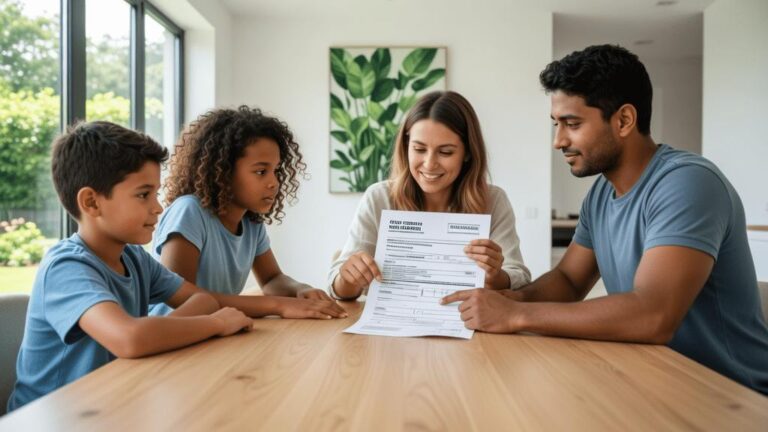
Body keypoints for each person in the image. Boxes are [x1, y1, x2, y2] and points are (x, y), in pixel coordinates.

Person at [442, 44, 768, 395]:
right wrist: (509, 300)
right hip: (656, 382)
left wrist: (515, 315)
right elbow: (568, 281)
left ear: (624, 120)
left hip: (732, 394)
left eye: (572, 124)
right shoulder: (601, 194)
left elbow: (653, 314)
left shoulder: (688, 182)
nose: (558, 141)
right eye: (556, 124)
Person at [8, 122, 253, 411]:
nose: (158, 207)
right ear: (91, 202)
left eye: (156, 193)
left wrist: (155, 333)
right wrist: (216, 324)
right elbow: (130, 338)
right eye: (143, 194)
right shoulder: (66, 267)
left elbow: (204, 299)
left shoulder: (135, 258)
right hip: (52, 418)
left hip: (114, 401)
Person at [329, 91, 531, 300]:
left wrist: (496, 277)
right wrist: (348, 278)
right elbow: (336, 287)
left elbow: (520, 277)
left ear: (468, 153)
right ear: (406, 147)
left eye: (445, 152)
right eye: (419, 149)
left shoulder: (493, 200)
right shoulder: (379, 198)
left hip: (468, 317)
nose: (429, 164)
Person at [152, 106, 347, 319]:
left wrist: (300, 289)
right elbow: (181, 298)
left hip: (214, 331)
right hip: (171, 333)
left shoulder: (250, 222)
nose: (274, 182)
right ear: (223, 171)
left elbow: (271, 279)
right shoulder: (189, 211)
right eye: (261, 171)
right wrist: (277, 305)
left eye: (276, 170)